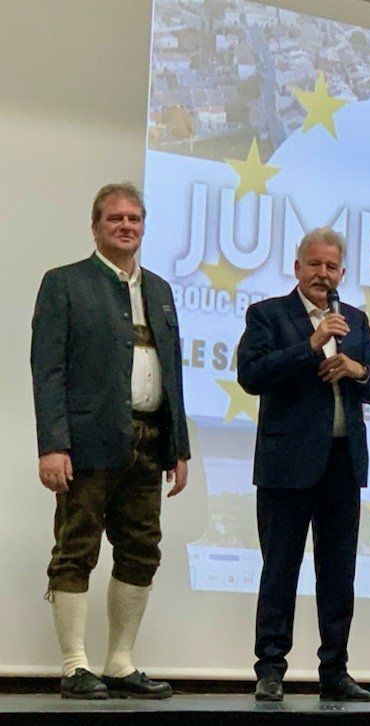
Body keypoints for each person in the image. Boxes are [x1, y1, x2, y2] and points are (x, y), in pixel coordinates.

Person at [31, 182, 190, 699]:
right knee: (76, 548)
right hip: (86, 442)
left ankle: (120, 663)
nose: (126, 226)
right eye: (115, 218)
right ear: (95, 226)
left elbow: (173, 373)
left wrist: (179, 448)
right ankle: (74, 666)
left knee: (141, 550)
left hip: (149, 441)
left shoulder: (160, 289)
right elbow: (47, 371)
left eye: (134, 218)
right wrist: (52, 445)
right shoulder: (64, 283)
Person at [237, 227, 370, 702]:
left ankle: (335, 672)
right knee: (280, 569)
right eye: (315, 264)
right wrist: (311, 343)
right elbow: (252, 375)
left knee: (338, 574)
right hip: (287, 464)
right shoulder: (268, 315)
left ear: (342, 273)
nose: (323, 273)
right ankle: (270, 669)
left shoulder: (356, 321)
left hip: (343, 463)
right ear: (297, 268)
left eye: (332, 266)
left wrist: (356, 370)